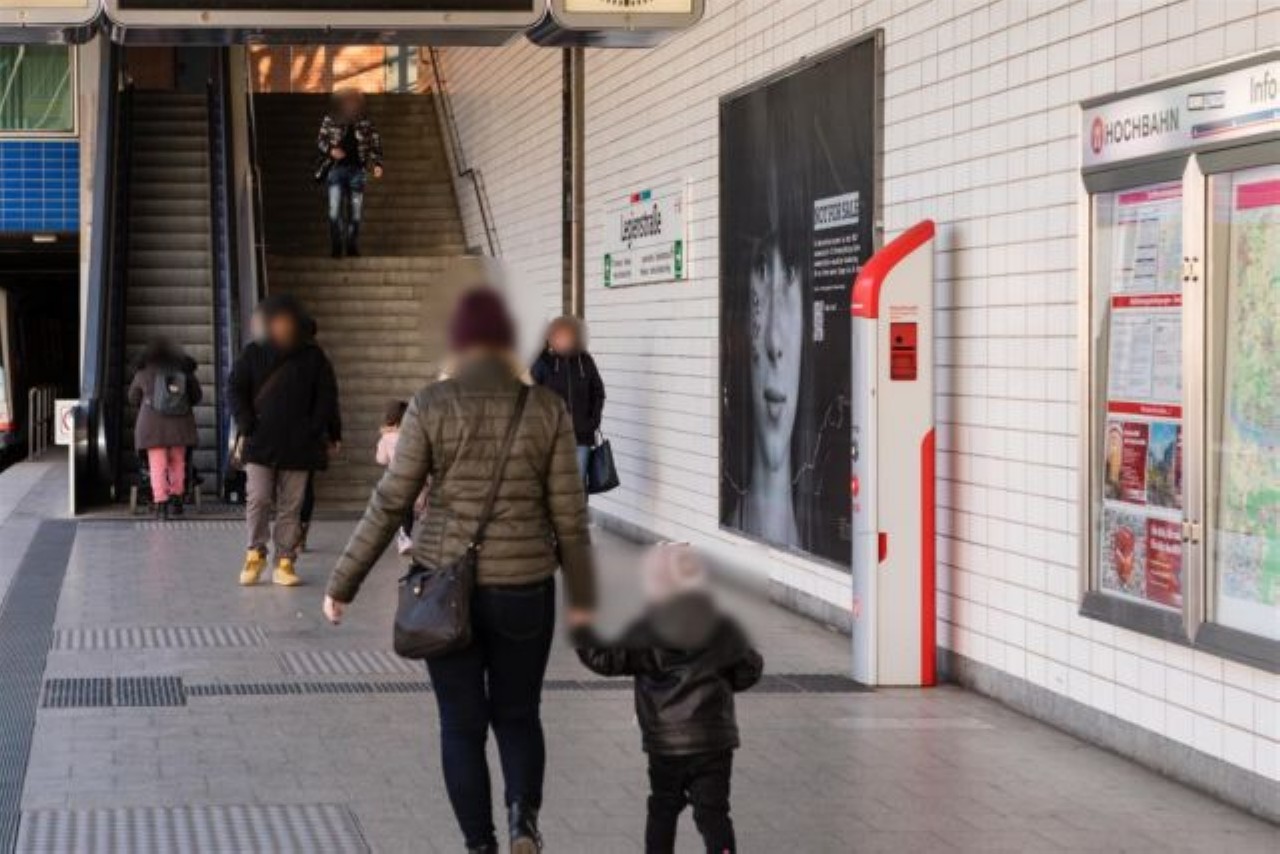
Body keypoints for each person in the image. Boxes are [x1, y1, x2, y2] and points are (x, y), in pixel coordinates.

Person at [324, 287, 596, 854]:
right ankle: (522, 821)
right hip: (525, 588)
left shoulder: (430, 404)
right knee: (519, 714)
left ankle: (481, 844)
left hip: (445, 587)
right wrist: (584, 596)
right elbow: (570, 514)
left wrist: (343, 582)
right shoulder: (546, 408)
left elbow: (391, 501)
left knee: (460, 723)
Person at [575, 544, 763, 854]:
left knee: (663, 808)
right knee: (713, 813)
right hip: (714, 740)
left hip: (665, 743)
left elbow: (605, 659)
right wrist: (722, 682)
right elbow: (748, 669)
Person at [229, 295, 340, 588]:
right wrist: (246, 422)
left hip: (300, 445)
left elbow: (327, 396)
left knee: (292, 505)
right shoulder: (253, 353)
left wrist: (322, 429)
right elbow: (235, 388)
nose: (281, 326)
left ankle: (285, 560)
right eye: (276, 321)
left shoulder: (314, 357)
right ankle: (255, 552)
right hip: (260, 441)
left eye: (286, 321)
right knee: (258, 497)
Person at [127, 337, 202, 520]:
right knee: (178, 462)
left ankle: (161, 505)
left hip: (153, 427)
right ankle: (177, 501)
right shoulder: (185, 371)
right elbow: (197, 397)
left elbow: (133, 398)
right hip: (180, 425)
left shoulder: (143, 372)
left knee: (157, 465)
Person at [531, 315, 605, 484]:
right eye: (558, 336)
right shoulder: (543, 362)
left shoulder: (585, 361)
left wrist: (593, 421)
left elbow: (598, 392)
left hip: (582, 438)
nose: (562, 340)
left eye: (566, 336)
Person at [317, 88, 384, 259]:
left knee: (355, 214)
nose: (350, 104)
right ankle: (337, 247)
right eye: (347, 101)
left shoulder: (365, 122)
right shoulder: (330, 119)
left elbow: (375, 143)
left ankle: (352, 246)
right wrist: (331, 150)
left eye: (353, 101)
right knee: (334, 213)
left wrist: (377, 163)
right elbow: (321, 141)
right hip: (335, 170)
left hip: (357, 172)